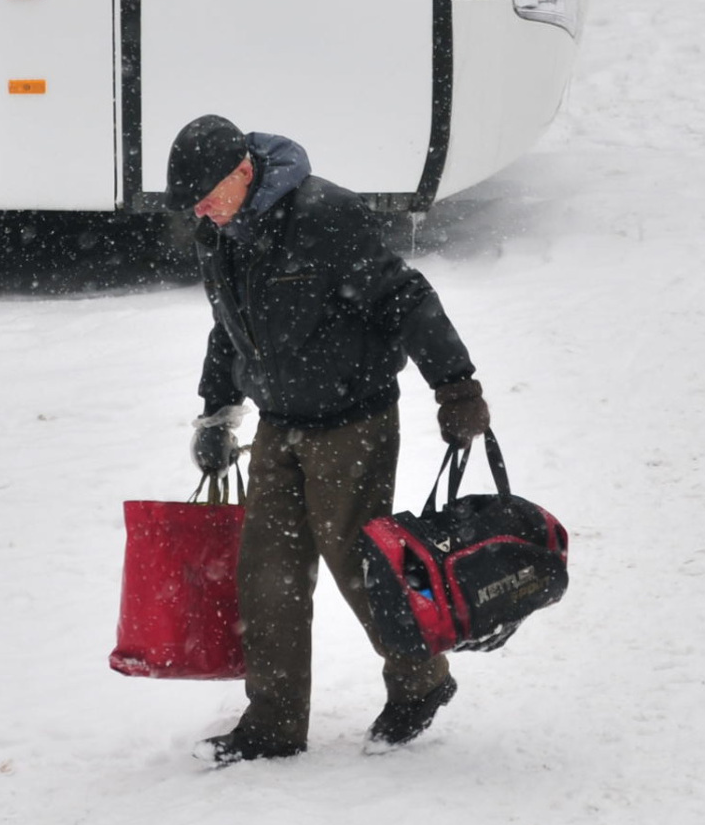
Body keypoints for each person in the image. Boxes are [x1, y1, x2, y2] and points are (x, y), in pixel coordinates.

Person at [167, 113, 494, 764]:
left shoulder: (324, 216)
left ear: (242, 170)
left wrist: (456, 386)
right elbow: (226, 326)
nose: (202, 215)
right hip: (280, 421)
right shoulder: (223, 234)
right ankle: (275, 722)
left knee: (361, 565)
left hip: (353, 419)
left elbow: (405, 298)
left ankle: (420, 682)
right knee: (266, 574)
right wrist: (216, 414)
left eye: (207, 198)